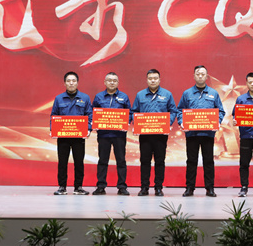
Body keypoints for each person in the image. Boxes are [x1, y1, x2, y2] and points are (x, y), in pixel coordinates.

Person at [177, 65, 226, 197]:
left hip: (208, 133)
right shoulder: (187, 93)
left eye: (203, 74)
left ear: (206, 76)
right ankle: (189, 188)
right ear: (194, 76)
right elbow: (180, 110)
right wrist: (182, 122)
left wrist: (217, 121)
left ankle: (210, 188)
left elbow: (221, 111)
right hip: (192, 134)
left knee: (208, 161)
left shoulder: (213, 93)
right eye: (198, 74)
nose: (200, 76)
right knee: (191, 161)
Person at [131, 69, 177, 197]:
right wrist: (137, 123)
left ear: (159, 80)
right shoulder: (140, 95)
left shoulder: (167, 94)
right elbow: (134, 111)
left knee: (160, 161)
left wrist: (168, 123)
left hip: (160, 135)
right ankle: (144, 188)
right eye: (150, 78)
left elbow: (173, 111)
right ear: (147, 80)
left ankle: (158, 188)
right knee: (145, 161)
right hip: (145, 135)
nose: (153, 80)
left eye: (155, 78)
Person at [50, 71, 92, 195]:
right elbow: (54, 115)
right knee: (62, 162)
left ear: (77, 83)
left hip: (79, 137)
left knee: (79, 162)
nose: (71, 83)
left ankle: (78, 187)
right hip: (63, 137)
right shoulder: (59, 98)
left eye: (73, 80)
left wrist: (88, 129)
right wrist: (53, 129)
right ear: (64, 83)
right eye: (68, 81)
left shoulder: (85, 98)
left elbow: (89, 115)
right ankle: (62, 187)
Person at [91, 72, 132, 196]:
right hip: (103, 135)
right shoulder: (99, 97)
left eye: (114, 80)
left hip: (119, 135)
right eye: (109, 80)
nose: (112, 82)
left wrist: (127, 122)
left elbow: (129, 113)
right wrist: (94, 122)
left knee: (121, 161)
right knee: (102, 160)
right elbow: (93, 112)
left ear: (118, 83)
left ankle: (122, 187)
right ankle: (101, 186)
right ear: (105, 82)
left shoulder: (124, 97)